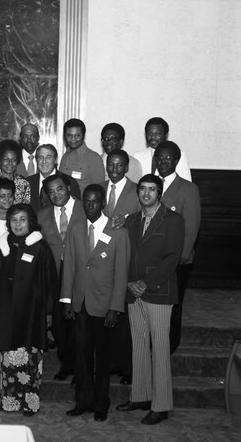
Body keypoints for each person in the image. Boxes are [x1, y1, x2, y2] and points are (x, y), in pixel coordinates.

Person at [116, 174, 185, 425]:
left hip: (158, 292)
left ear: (160, 193)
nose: (146, 194)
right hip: (134, 293)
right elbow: (124, 255)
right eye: (142, 189)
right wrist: (129, 284)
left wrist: (145, 283)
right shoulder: (131, 220)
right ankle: (141, 396)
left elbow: (172, 258)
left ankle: (162, 405)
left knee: (160, 348)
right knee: (139, 345)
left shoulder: (173, 220)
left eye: (152, 190)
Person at [61, 184, 130, 422]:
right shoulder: (76, 228)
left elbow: (122, 273)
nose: (90, 206)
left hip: (104, 306)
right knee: (81, 357)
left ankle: (102, 403)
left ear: (103, 204)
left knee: (102, 359)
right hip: (79, 304)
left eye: (95, 202)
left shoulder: (118, 232)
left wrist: (115, 307)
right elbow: (69, 265)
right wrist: (67, 300)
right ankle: (83, 402)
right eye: (87, 202)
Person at [0, 203, 56, 416]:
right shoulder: (3, 245)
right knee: (9, 358)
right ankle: (9, 401)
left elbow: (50, 282)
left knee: (30, 357)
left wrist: (48, 313)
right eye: (14, 220)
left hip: (32, 312)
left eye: (22, 219)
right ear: (8, 223)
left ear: (30, 222)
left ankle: (30, 402)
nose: (18, 224)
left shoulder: (40, 247)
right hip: (7, 310)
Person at [154, 141, 200, 353]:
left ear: (176, 161)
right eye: (160, 158)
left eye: (168, 158)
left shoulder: (188, 189)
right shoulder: (151, 185)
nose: (163, 162)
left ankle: (171, 345)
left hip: (177, 260)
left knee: (174, 304)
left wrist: (182, 255)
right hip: (153, 258)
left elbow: (192, 224)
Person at [37, 173, 84, 382]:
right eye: (51, 192)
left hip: (82, 276)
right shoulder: (42, 215)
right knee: (59, 325)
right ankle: (66, 364)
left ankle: (82, 366)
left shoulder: (86, 208)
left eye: (60, 189)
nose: (56, 195)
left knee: (81, 325)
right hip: (55, 277)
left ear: (68, 187)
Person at [103, 149, 141, 385]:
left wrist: (127, 220)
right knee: (103, 314)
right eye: (111, 164)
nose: (115, 169)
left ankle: (127, 367)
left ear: (127, 167)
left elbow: (143, 222)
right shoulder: (97, 187)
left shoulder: (138, 190)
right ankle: (107, 363)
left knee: (125, 318)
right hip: (102, 260)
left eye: (119, 165)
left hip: (127, 257)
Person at [134, 117, 192, 181]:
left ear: (166, 135)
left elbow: (185, 183)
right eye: (150, 133)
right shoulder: (138, 156)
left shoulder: (179, 155)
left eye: (158, 133)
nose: (153, 137)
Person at [27, 144, 81, 212]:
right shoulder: (27, 182)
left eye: (48, 157)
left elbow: (77, 209)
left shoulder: (69, 181)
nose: (44, 161)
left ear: (55, 160)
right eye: (40, 157)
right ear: (36, 160)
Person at [59, 118, 105, 194]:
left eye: (77, 135)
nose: (73, 139)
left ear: (83, 135)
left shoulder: (94, 158)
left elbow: (99, 190)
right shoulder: (65, 157)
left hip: (83, 205)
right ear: (64, 136)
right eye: (69, 135)